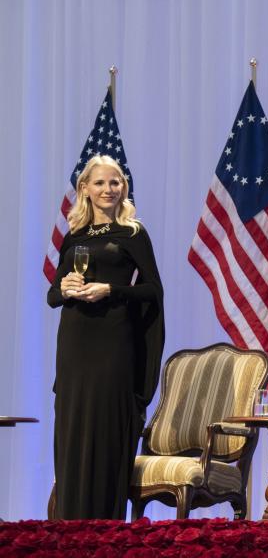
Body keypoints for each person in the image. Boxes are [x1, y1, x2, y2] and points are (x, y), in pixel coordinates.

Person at [47, 155, 165, 520]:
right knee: (73, 428)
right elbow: (52, 296)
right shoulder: (74, 236)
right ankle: (69, 527)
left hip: (114, 343)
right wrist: (65, 287)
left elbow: (153, 291)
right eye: (100, 182)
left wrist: (111, 290)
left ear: (123, 189)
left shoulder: (133, 233)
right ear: (84, 188)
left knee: (106, 431)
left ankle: (104, 528)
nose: (108, 189)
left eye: (115, 182)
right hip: (75, 344)